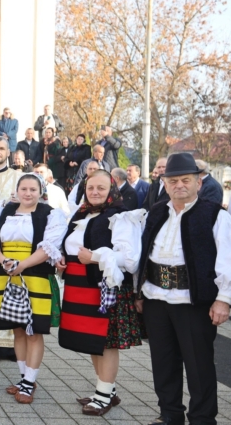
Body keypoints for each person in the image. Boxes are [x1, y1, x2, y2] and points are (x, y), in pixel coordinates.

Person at [134, 153, 231, 425]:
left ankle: (201, 419)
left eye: (185, 180)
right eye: (173, 180)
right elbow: (144, 253)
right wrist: (139, 293)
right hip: (155, 298)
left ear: (198, 183)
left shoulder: (215, 216)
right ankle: (170, 415)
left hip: (193, 302)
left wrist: (223, 299)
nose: (179, 185)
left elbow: (227, 259)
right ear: (164, 184)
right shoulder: (156, 212)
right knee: (163, 363)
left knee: (198, 365)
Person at [57, 170, 143, 416]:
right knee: (92, 341)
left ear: (112, 190)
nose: (94, 192)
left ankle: (103, 396)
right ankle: (108, 391)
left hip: (105, 287)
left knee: (105, 343)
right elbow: (72, 245)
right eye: (90, 187)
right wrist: (63, 259)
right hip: (78, 287)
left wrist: (94, 257)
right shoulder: (81, 213)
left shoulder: (121, 217)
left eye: (101, 188)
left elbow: (130, 260)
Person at [0, 173, 67, 404]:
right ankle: (23, 378)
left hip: (35, 274)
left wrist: (22, 265)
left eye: (33, 189)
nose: (28, 193)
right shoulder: (2, 212)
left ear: (40, 192)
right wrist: (4, 262)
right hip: (7, 273)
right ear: (17, 190)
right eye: (24, 189)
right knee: (17, 329)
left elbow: (49, 246)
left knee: (33, 331)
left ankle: (29, 382)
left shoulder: (50, 214)